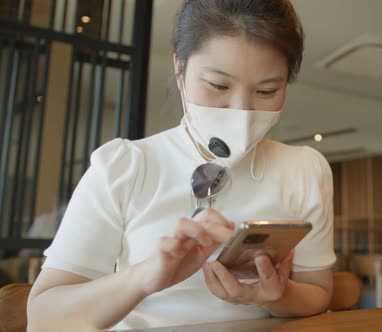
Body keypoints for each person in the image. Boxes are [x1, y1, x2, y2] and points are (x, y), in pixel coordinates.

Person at [26, 0, 336, 330]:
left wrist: (274, 295)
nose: (241, 110)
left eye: (267, 90)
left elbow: (319, 292)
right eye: (219, 85)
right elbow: (45, 317)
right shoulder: (125, 168)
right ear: (180, 68)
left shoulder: (304, 170)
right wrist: (144, 277)